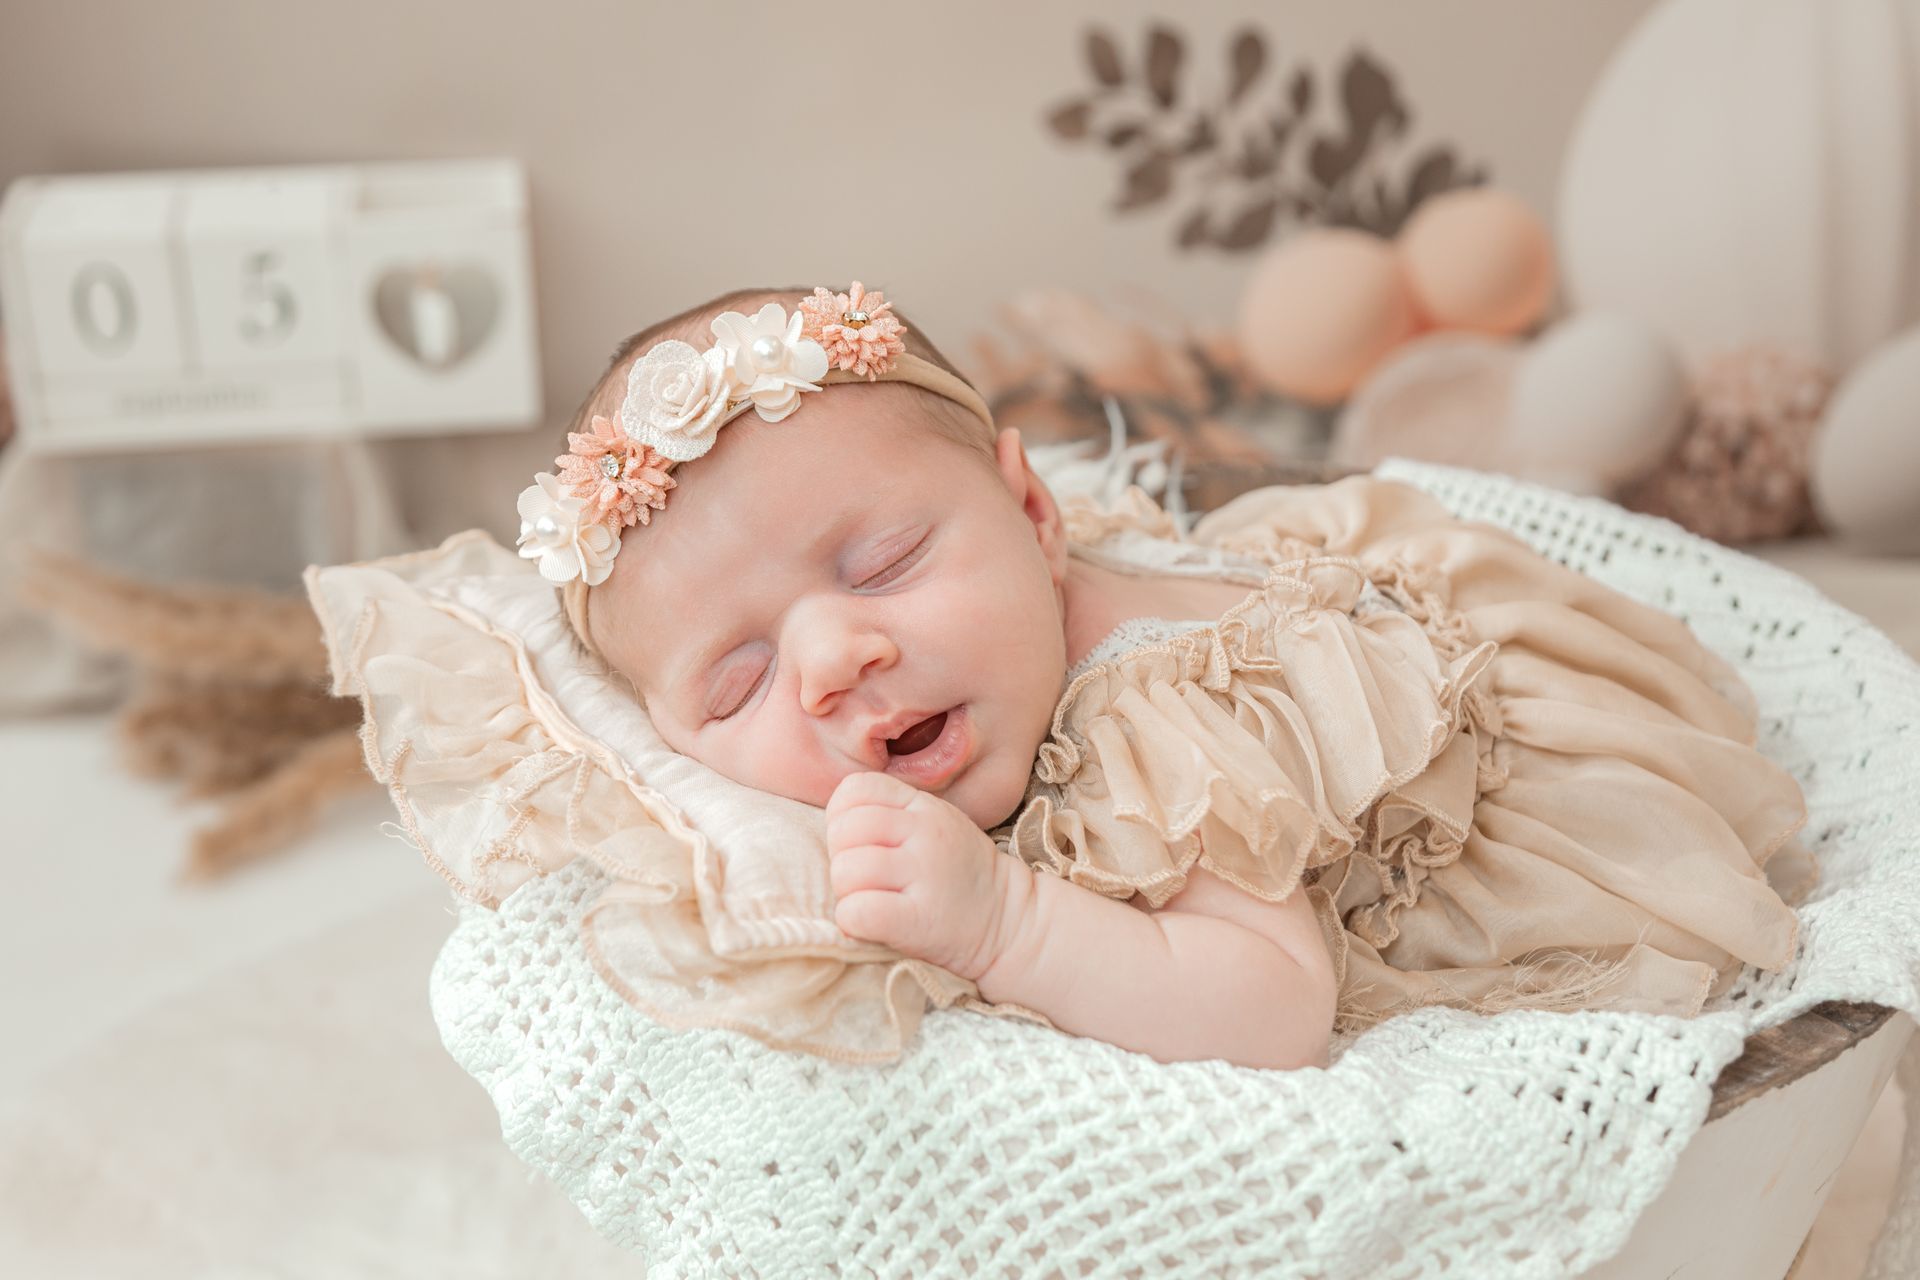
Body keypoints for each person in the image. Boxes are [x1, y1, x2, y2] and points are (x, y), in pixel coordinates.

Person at [513, 282, 1816, 1072]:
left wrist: (1001, 925)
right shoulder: (986, 640)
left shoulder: (1154, 731)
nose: (831, 662)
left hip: (1539, 845)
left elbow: (1271, 1009)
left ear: (1035, 514)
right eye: (735, 686)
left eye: (886, 562)